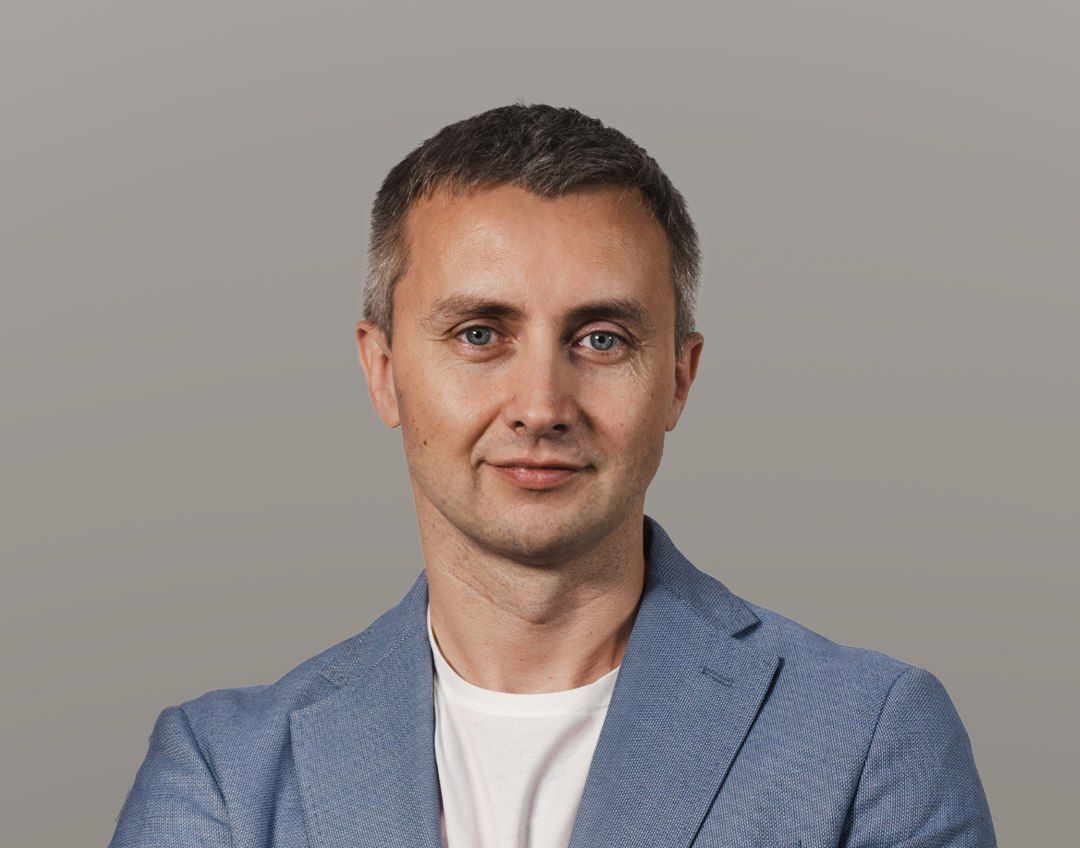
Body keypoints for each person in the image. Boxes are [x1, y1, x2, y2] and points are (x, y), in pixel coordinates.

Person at [108, 103, 996, 848]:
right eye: (479, 335)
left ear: (678, 380)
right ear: (382, 371)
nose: (541, 405)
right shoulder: (223, 773)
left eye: (601, 339)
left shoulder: (869, 739)